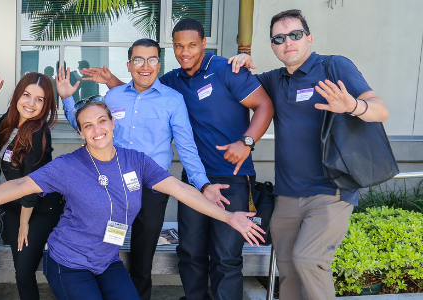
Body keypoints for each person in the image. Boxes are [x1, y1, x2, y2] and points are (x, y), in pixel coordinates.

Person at [0, 101, 265, 300]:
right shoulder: (69, 166)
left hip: (106, 261)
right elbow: (21, 184)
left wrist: (228, 217)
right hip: (69, 262)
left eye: (102, 121)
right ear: (81, 133)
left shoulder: (136, 161)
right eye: (88, 126)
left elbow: (183, 191)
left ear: (113, 123)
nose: (97, 130)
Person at [80, 19, 275, 300]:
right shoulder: (172, 80)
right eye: (179, 46)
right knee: (190, 251)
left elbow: (264, 104)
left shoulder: (226, 69)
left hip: (230, 174)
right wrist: (111, 82)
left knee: (225, 255)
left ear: (204, 44)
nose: (186, 52)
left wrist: (247, 142)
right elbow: (141, 95)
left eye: (192, 45)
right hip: (192, 179)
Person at [227, 9, 388, 300]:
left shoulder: (333, 66)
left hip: (331, 191)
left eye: (295, 34)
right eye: (279, 38)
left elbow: (380, 109)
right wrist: (241, 64)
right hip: (288, 194)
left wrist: (352, 106)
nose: (288, 41)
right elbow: (243, 92)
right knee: (288, 269)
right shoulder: (274, 80)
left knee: (309, 260)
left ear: (309, 38)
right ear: (273, 47)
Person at [58, 38, 229, 300]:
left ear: (159, 65)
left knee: (142, 259)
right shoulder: (113, 96)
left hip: (152, 189)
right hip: (111, 188)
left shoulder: (173, 101)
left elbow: (186, 148)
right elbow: (89, 127)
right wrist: (68, 99)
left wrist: (203, 184)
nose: (145, 66)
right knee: (102, 248)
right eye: (138, 60)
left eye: (151, 59)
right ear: (129, 65)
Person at [0, 72, 65, 300]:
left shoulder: (38, 134)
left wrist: (24, 225)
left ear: (46, 104)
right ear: (17, 96)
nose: (31, 103)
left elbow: (32, 186)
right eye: (26, 95)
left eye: (39, 99)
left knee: (24, 271)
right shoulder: (8, 122)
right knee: (20, 269)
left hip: (39, 209)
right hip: (13, 205)